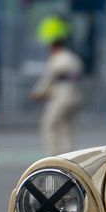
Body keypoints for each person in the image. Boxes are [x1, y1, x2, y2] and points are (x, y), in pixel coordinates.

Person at [30, 16, 85, 157]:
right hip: (76, 97)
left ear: (53, 45)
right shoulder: (74, 58)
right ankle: (70, 155)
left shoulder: (57, 59)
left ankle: (55, 154)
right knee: (68, 126)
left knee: (49, 124)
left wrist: (38, 93)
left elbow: (49, 79)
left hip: (62, 97)